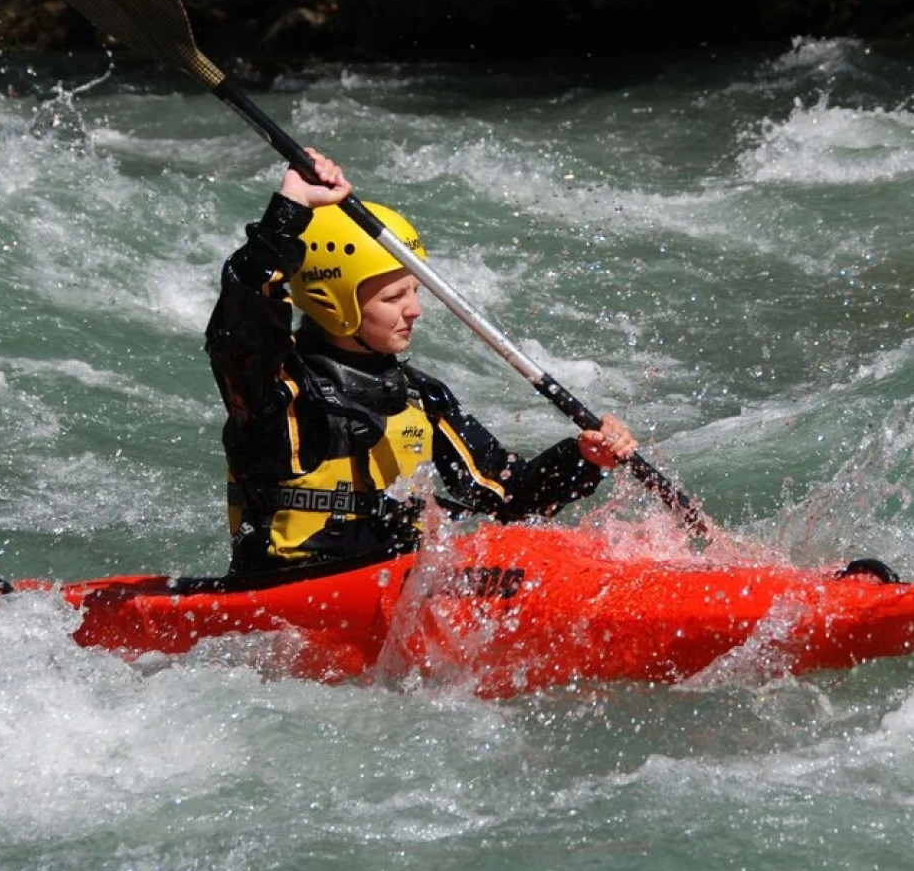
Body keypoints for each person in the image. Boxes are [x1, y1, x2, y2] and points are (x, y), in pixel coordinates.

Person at [205, 149, 638, 574]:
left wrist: (583, 458)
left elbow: (508, 495)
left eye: (414, 290)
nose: (415, 309)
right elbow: (243, 321)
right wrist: (290, 209)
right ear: (332, 301)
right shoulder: (277, 391)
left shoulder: (419, 396)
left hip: (396, 577)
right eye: (394, 297)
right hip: (292, 586)